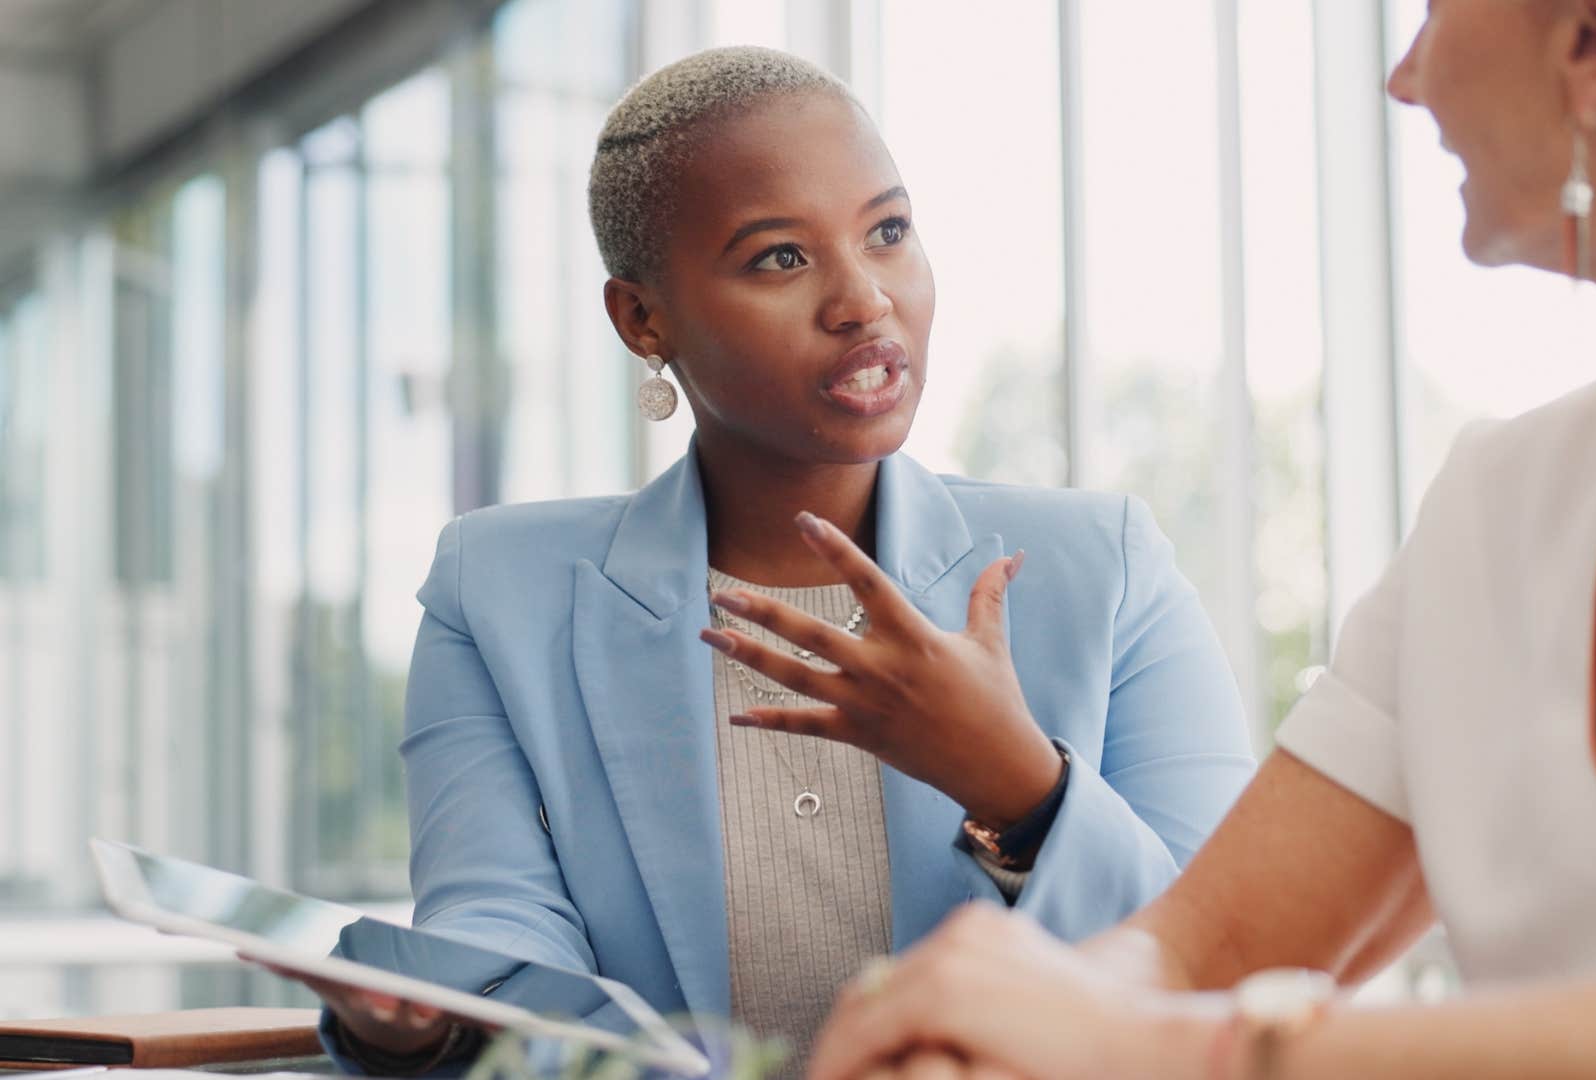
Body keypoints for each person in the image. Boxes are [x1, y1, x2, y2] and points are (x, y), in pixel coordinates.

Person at [742, 1, 1596, 1077]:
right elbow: (1200, 949)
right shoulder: (1507, 492)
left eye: (1433, 15)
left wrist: (1205, 1051)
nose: (1404, 79)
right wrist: (986, 1030)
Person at [282, 45, 1255, 1077]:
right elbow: (501, 925)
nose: (863, 299)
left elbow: (1236, 955)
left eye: (889, 232)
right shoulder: (498, 593)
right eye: (780, 258)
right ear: (641, 318)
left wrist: (1023, 788)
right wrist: (424, 1014)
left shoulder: (1103, 567)